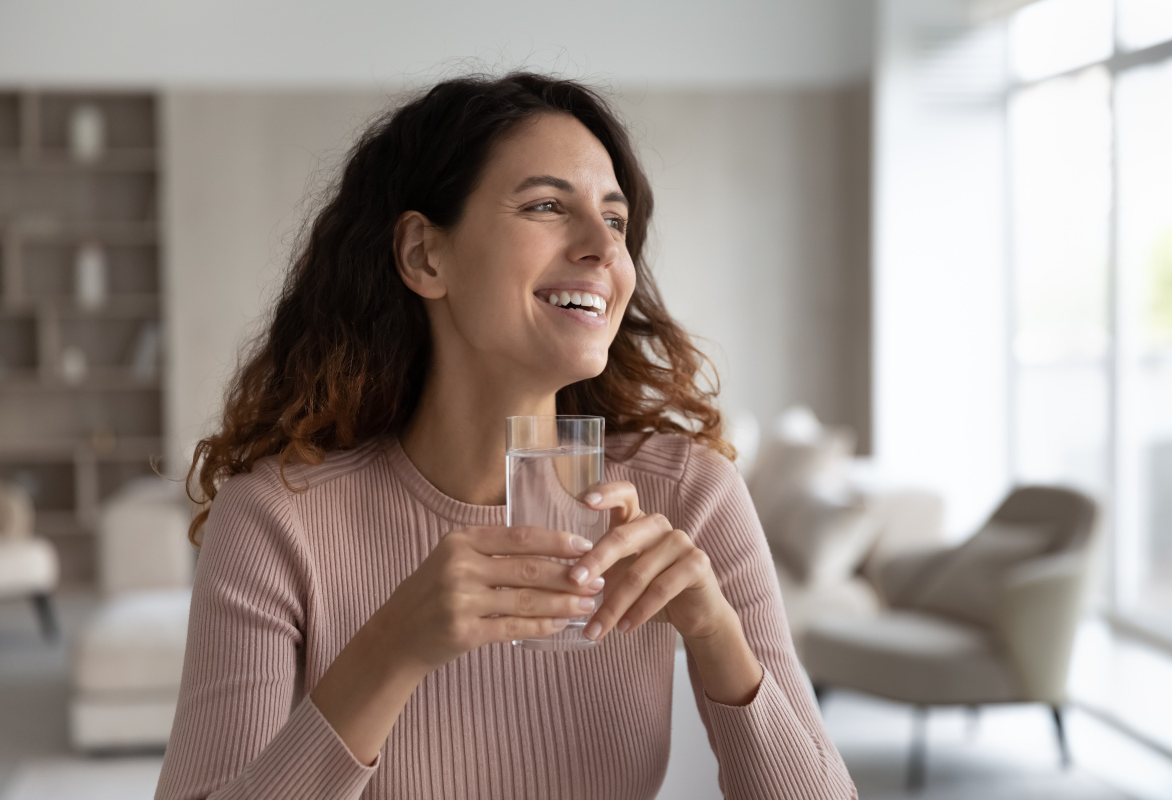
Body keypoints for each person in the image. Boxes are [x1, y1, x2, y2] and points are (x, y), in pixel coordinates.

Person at [154, 72, 856, 800]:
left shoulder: (688, 494)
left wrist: (717, 636)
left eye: (615, 221)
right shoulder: (277, 519)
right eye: (547, 205)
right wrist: (392, 648)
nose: (603, 249)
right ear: (425, 256)